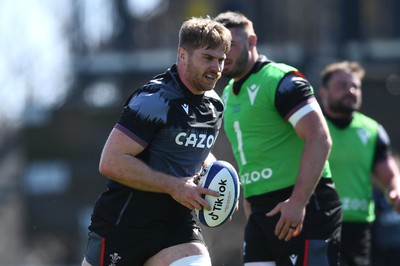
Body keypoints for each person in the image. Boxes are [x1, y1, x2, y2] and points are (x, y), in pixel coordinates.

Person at [81, 16, 232, 266]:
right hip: (125, 226)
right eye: (208, 58)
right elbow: (111, 162)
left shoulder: (214, 105)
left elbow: (197, 151)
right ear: (183, 55)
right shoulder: (155, 99)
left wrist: (221, 181)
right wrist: (174, 186)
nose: (216, 68)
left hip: (176, 226)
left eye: (221, 60)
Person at [215, 11, 342, 266]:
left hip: (304, 205)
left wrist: (298, 202)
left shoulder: (282, 80)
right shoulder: (227, 94)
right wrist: (251, 208)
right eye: (219, 47)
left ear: (252, 42)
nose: (225, 53)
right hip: (260, 213)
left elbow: (319, 137)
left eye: (232, 45)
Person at [318, 61, 400, 266]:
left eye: (355, 86)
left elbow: (389, 175)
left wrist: (395, 191)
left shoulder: (372, 130)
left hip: (359, 228)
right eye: (342, 86)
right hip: (318, 224)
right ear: (323, 93)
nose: (351, 91)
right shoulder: (311, 126)